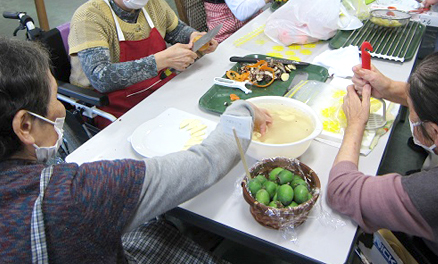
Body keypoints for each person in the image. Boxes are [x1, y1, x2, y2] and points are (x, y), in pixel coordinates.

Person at [0, 37, 271, 263]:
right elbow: (206, 163)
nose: (60, 109)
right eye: (55, 97)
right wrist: (241, 113)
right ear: (25, 126)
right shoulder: (74, 196)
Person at [327, 49, 438, 263]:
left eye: (413, 114)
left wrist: (355, 122)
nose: (411, 116)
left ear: (436, 133)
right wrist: (389, 88)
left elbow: (342, 191)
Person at [68, 0, 218, 127]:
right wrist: (161, 60)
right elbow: (101, 77)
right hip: (116, 114)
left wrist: (196, 38)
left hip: (158, 93)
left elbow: (176, 30)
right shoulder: (89, 17)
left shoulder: (150, 1)